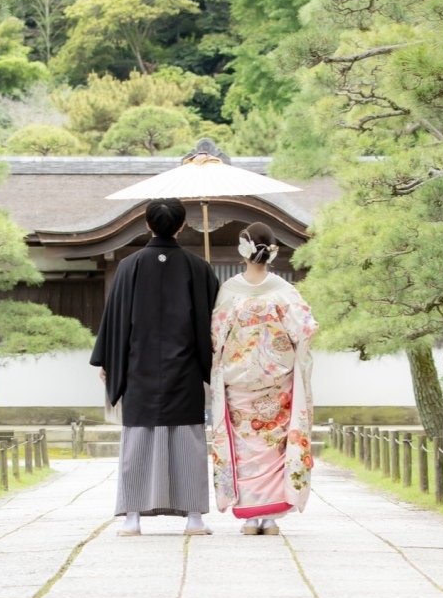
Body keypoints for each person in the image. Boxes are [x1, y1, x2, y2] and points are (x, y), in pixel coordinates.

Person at [90, 197, 219, 536]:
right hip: (186, 371)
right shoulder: (198, 267)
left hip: (138, 371)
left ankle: (132, 518)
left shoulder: (129, 266)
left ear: (147, 224)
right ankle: (194, 518)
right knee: (189, 442)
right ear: (181, 225)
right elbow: (213, 325)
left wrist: (109, 361)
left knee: (138, 442)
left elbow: (116, 320)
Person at [210, 222, 318, 535]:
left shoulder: (229, 290)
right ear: (272, 252)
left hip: (239, 381)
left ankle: (250, 517)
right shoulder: (285, 291)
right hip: (277, 381)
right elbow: (306, 329)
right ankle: (271, 519)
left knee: (245, 447)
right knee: (274, 445)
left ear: (242, 251)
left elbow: (216, 338)